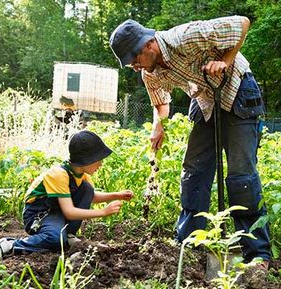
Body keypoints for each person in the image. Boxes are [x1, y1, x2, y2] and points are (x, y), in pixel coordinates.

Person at [109, 16, 271, 270]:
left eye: (135, 59)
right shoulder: (150, 74)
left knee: (241, 176)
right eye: (130, 64)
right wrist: (158, 126)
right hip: (206, 99)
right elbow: (161, 102)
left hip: (237, 89)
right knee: (193, 173)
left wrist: (224, 61)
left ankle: (257, 254)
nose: (135, 66)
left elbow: (242, 23)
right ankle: (188, 242)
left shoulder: (186, 36)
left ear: (148, 44)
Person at [0, 130, 134, 258]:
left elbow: (91, 196)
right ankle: (10, 245)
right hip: (38, 214)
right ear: (86, 159)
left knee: (87, 189)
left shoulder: (81, 175)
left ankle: (67, 235)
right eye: (98, 160)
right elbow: (69, 212)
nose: (101, 164)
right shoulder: (59, 174)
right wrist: (103, 212)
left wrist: (117, 195)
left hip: (56, 213)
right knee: (54, 239)